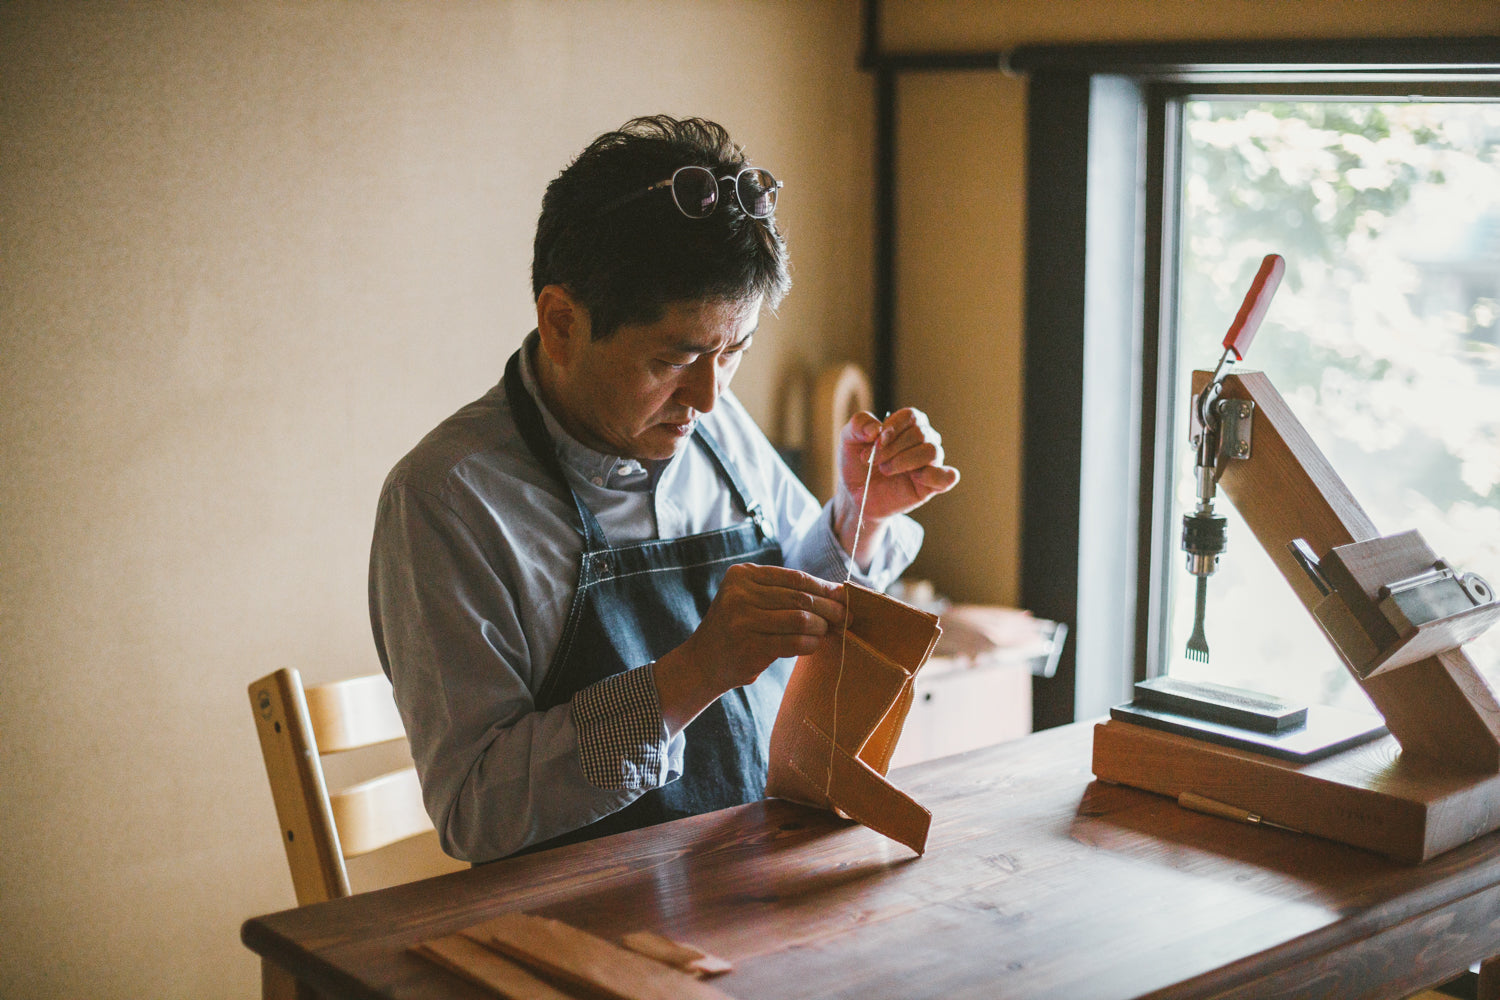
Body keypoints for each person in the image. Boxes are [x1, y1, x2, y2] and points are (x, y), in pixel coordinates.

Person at [369, 115, 960, 863]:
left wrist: (859, 519)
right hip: (575, 924)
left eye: (734, 352)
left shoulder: (713, 424)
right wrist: (692, 675)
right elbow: (476, 809)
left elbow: (790, 625)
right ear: (561, 322)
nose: (709, 398)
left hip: (746, 876)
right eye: (676, 358)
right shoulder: (449, 501)